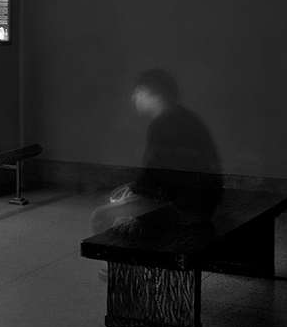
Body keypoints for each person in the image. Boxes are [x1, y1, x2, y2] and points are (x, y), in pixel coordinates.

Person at [92, 69, 223, 240]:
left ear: (152, 94)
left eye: (138, 92)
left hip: (187, 209)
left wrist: (135, 194)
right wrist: (136, 189)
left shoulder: (163, 124)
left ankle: (112, 262)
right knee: (127, 200)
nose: (134, 97)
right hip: (204, 201)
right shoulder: (185, 117)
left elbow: (157, 177)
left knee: (101, 215)